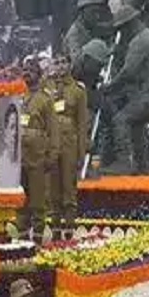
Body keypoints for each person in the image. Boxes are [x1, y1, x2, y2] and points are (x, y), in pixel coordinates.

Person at [102, 0, 149, 175]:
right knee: (137, 124)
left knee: (121, 120)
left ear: (129, 25)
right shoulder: (147, 37)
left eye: (122, 29)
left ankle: (124, 162)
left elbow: (128, 73)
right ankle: (144, 164)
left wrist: (109, 87)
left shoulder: (139, 42)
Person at [46, 56, 88, 236]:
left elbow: (82, 123)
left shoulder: (78, 90)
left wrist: (81, 152)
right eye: (57, 63)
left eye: (64, 62)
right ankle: (55, 228)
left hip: (69, 143)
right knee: (52, 186)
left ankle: (69, 228)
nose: (60, 66)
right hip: (51, 143)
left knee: (69, 187)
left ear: (70, 65)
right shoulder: (47, 87)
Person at [17, 59, 58, 240]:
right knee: (20, 197)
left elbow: (53, 130)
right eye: (24, 70)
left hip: (38, 155)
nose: (27, 73)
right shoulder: (17, 96)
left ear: (39, 74)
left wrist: (53, 155)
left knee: (38, 198)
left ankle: (38, 236)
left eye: (31, 70)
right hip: (19, 156)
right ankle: (22, 236)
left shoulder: (45, 99)